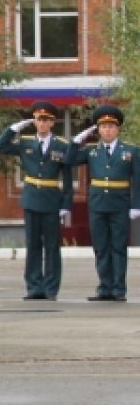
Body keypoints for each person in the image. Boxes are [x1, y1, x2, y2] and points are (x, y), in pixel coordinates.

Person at [0, 101, 72, 301]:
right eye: (38, 120)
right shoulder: (25, 142)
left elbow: (68, 178)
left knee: (52, 246)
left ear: (53, 122)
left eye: (46, 120)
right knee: (33, 244)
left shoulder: (62, 145)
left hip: (52, 198)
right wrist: (13, 128)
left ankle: (51, 288)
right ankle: (34, 287)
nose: (41, 124)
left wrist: (66, 204)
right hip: (31, 198)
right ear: (33, 121)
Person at [65, 105, 140, 302]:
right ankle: (104, 288)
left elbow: (138, 180)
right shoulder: (91, 151)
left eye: (111, 126)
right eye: (103, 126)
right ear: (98, 130)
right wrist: (76, 140)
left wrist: (136, 205)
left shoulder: (131, 151)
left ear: (118, 129)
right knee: (100, 247)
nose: (107, 130)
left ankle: (118, 289)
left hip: (120, 204)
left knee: (118, 247)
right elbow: (68, 160)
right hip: (98, 204)